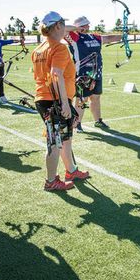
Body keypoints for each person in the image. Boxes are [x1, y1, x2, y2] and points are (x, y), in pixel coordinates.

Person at [32, 11, 89, 191]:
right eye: (63, 24)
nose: (65, 26)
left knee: (64, 138)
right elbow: (56, 75)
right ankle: (50, 181)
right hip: (55, 101)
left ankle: (71, 170)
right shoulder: (58, 47)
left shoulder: (40, 48)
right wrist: (65, 103)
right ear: (57, 26)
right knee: (55, 141)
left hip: (46, 99)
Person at [65, 16, 118, 132]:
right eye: (85, 25)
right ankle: (77, 123)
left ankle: (98, 121)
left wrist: (123, 36)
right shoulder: (74, 37)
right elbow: (63, 29)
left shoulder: (95, 37)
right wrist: (76, 28)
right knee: (81, 98)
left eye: (87, 25)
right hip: (82, 74)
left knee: (96, 97)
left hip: (96, 73)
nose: (88, 26)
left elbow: (109, 38)